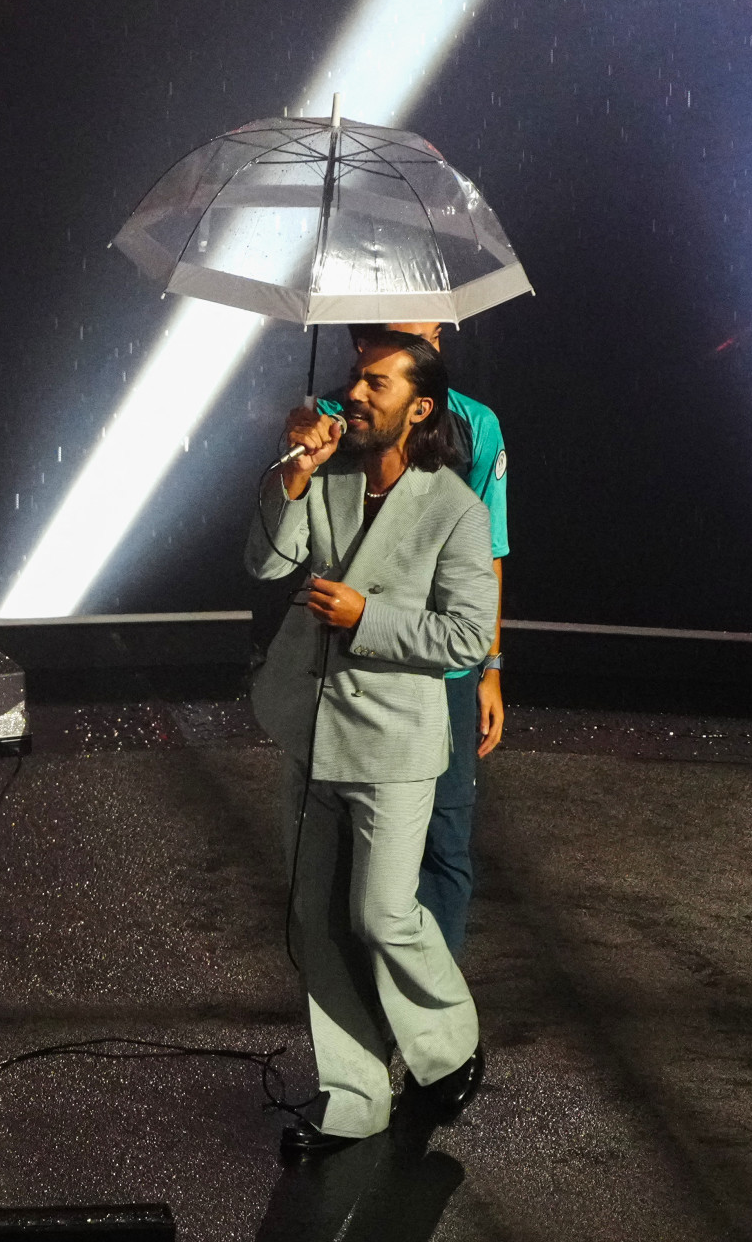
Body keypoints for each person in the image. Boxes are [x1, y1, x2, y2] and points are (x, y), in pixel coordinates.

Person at [245, 329, 497, 1157]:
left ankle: (450, 1047)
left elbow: (465, 638)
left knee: (381, 914)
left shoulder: (453, 506)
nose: (357, 394)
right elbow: (268, 564)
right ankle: (353, 1098)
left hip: (392, 742)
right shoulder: (330, 477)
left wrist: (369, 618)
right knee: (314, 920)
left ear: (418, 408)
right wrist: (294, 475)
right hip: (311, 724)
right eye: (357, 378)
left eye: (378, 384)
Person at [351, 323, 508, 957]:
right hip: (353, 674)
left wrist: (490, 668)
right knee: (352, 847)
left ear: (439, 328)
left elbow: (488, 553)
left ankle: (431, 1030)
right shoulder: (338, 417)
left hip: (442, 673)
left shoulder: (476, 424)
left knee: (443, 840)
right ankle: (365, 1012)